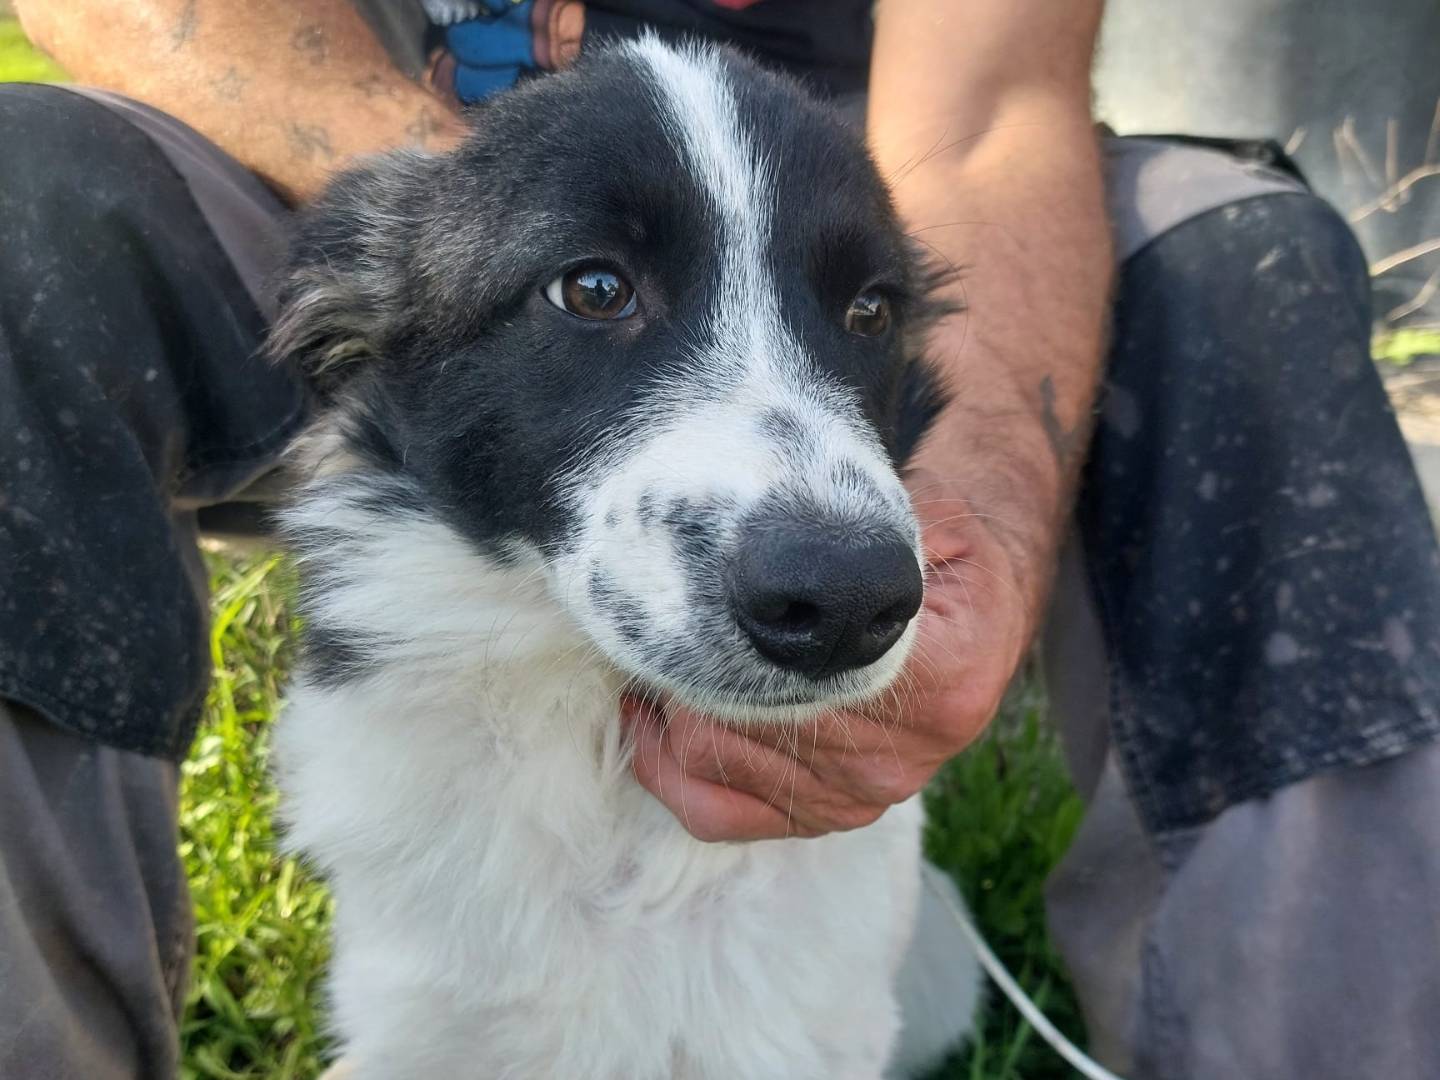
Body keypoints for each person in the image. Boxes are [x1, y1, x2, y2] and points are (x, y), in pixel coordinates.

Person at [3, 2, 1438, 1077]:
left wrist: (980, 522)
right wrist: (499, 212)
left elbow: (990, 109)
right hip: (347, 118)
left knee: (1246, 263)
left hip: (880, 167)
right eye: (595, 290)